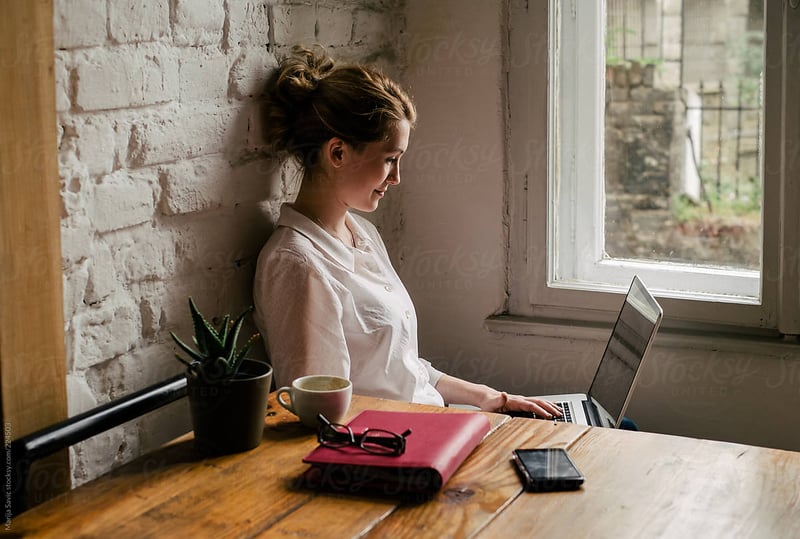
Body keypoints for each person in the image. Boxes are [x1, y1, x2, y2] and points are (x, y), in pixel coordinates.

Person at [253, 45, 562, 419]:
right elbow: (318, 412)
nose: (397, 178)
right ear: (338, 153)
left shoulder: (361, 233)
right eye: (389, 160)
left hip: (432, 423)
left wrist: (487, 397)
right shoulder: (297, 263)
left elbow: (400, 368)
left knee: (614, 425)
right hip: (396, 447)